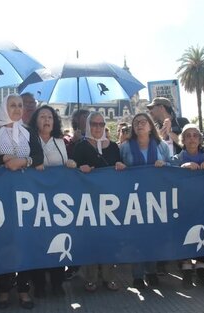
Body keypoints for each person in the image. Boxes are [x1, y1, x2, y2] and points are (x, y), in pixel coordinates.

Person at [0, 93, 43, 310]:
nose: (17, 109)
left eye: (19, 105)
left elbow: (39, 156)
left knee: (25, 241)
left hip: (27, 195)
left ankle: (24, 290)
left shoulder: (28, 131)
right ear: (4, 108)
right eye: (12, 105)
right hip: (2, 196)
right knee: (6, 242)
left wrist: (24, 161)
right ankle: (4, 289)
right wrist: (4, 159)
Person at [73, 111, 126, 292]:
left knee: (109, 238)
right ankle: (91, 278)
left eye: (101, 124)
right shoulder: (80, 146)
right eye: (94, 124)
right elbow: (71, 169)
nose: (97, 127)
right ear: (88, 126)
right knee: (90, 239)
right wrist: (80, 169)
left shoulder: (113, 147)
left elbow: (120, 167)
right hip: (87, 201)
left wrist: (120, 166)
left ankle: (109, 276)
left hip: (109, 201)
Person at [28, 105, 76, 298]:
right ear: (35, 121)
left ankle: (57, 283)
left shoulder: (59, 141)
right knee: (37, 242)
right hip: (34, 200)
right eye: (42, 117)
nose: (47, 120)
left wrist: (69, 164)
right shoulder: (29, 140)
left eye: (50, 117)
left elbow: (64, 165)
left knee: (57, 240)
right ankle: (38, 284)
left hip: (56, 202)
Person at [120, 112, 170, 289]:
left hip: (157, 197)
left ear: (150, 126)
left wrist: (165, 165)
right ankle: (138, 275)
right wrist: (121, 167)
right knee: (136, 237)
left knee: (153, 235)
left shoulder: (162, 146)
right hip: (134, 198)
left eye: (143, 122)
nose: (139, 125)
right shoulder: (125, 147)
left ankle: (152, 271)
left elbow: (172, 168)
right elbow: (119, 167)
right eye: (136, 123)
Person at [170, 124, 204, 289]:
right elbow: (170, 175)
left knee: (203, 233)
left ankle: (201, 268)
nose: (192, 138)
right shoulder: (177, 159)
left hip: (202, 204)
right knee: (185, 235)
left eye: (195, 135)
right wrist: (183, 168)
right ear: (183, 139)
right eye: (188, 135)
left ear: (200, 139)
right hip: (183, 204)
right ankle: (187, 269)